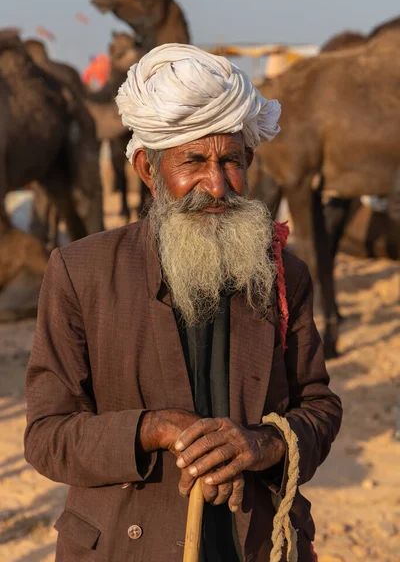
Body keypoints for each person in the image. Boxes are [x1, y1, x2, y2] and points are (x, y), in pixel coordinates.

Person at [24, 44, 342, 561]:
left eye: (231, 161)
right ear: (148, 171)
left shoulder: (284, 273)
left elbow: (320, 407)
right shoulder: (80, 273)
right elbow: (46, 436)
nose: (215, 185)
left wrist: (264, 444)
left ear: (250, 162)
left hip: (254, 543)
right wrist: (152, 428)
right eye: (192, 161)